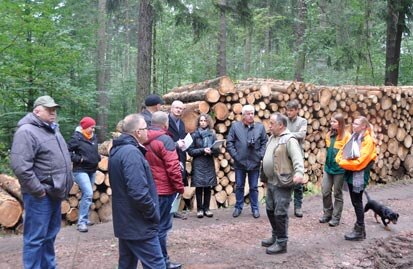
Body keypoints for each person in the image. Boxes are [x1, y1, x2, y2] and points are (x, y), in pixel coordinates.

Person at [10, 95, 74, 269]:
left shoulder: (53, 129)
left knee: (50, 235)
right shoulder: (27, 131)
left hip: (54, 192)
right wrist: (38, 191)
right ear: (37, 110)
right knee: (35, 238)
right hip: (40, 195)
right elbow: (21, 166)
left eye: (54, 109)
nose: (53, 113)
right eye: (49, 109)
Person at [108, 114, 165, 269]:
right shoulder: (131, 153)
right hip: (138, 224)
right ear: (138, 132)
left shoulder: (118, 150)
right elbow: (138, 192)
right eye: (146, 129)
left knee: (126, 264)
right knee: (157, 265)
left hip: (127, 222)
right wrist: (152, 213)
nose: (148, 132)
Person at [144, 111, 184, 269]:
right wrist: (179, 188)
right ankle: (163, 262)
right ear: (165, 124)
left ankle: (155, 260)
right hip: (165, 191)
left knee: (153, 226)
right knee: (161, 228)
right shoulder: (165, 140)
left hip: (149, 190)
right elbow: (173, 168)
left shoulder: (143, 139)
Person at [260, 113, 304, 255]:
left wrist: (299, 173)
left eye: (272, 123)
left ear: (281, 125)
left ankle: (281, 242)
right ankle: (275, 235)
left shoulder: (289, 139)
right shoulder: (272, 137)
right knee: (270, 209)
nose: (269, 126)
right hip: (272, 181)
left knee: (280, 213)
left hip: (283, 182)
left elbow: (298, 157)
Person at [336, 116, 377, 241]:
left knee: (357, 201)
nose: (353, 125)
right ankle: (360, 229)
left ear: (364, 126)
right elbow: (343, 151)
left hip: (358, 174)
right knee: (355, 201)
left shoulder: (367, 141)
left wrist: (342, 163)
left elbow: (360, 162)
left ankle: (360, 230)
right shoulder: (354, 136)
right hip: (350, 172)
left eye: (357, 124)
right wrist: (340, 159)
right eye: (353, 123)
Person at [226, 105, 268, 218]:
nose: (250, 116)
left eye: (252, 113)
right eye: (248, 114)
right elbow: (229, 143)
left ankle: (255, 208)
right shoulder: (235, 126)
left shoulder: (260, 127)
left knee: (254, 187)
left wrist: (260, 155)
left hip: (254, 162)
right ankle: (238, 207)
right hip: (240, 163)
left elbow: (265, 142)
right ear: (243, 115)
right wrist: (236, 156)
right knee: (239, 186)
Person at [67, 116, 101, 232]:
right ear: (85, 127)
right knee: (88, 193)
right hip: (80, 170)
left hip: (92, 169)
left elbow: (94, 150)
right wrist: (79, 159)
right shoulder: (76, 138)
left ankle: (85, 219)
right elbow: (67, 151)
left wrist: (97, 157)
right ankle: (81, 222)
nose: (93, 129)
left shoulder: (94, 137)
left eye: (93, 127)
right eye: (91, 127)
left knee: (88, 195)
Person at [319, 113, 351, 227]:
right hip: (328, 168)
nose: (331, 123)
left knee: (337, 193)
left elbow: (348, 153)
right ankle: (327, 213)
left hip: (340, 169)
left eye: (334, 122)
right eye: (331, 121)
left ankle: (336, 217)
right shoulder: (328, 135)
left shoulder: (347, 136)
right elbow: (329, 151)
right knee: (325, 191)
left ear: (340, 123)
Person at [187, 113, 219, 218]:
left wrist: (213, 150)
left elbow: (217, 152)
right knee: (199, 187)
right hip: (198, 163)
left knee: (208, 187)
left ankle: (207, 208)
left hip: (209, 163)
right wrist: (202, 150)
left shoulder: (212, 134)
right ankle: (200, 209)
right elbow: (190, 151)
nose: (203, 122)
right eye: (201, 121)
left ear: (208, 122)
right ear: (198, 122)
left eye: (205, 121)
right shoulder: (194, 135)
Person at [168, 100, 190, 218]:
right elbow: (162, 139)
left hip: (180, 155)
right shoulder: (165, 121)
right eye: (176, 108)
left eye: (180, 109)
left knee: (179, 182)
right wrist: (175, 144)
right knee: (169, 183)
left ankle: (174, 210)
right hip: (169, 155)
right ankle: (167, 210)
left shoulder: (181, 123)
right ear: (171, 109)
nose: (178, 110)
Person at [285, 99, 307, 218]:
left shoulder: (302, 121)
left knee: (298, 182)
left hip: (298, 155)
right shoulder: (284, 121)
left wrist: (288, 135)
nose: (289, 113)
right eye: (287, 110)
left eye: (291, 110)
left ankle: (298, 207)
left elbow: (301, 135)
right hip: (286, 155)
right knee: (285, 181)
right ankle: (285, 205)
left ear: (297, 110)